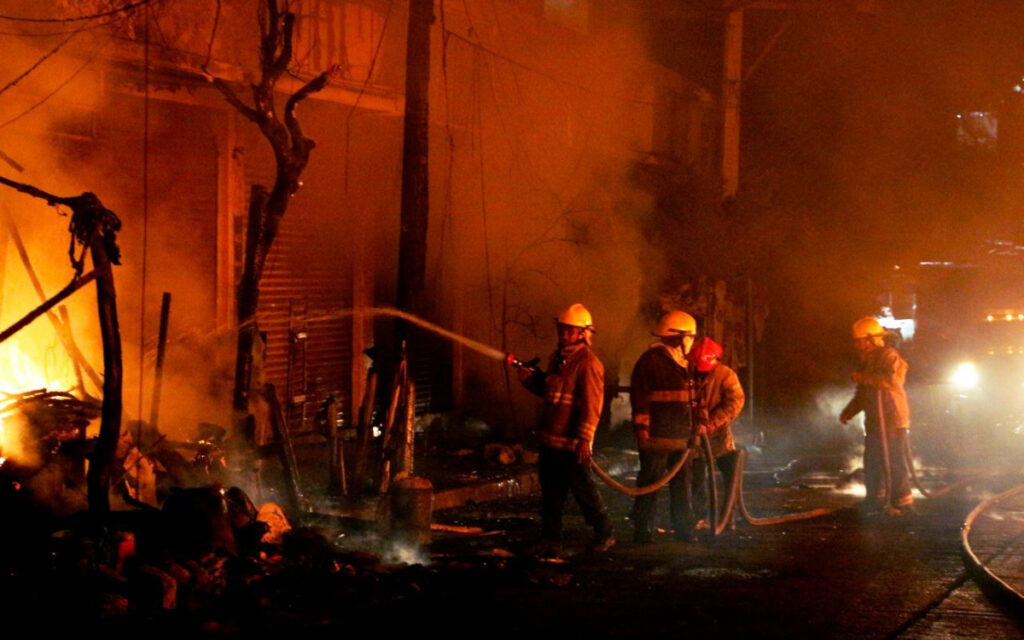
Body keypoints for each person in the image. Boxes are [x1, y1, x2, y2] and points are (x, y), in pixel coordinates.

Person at [512, 303, 615, 555]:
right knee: (551, 493)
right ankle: (550, 539)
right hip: (551, 439)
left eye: (569, 331)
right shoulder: (558, 360)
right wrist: (531, 381)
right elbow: (552, 394)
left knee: (583, 491)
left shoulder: (588, 363)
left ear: (582, 333)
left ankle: (605, 532)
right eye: (561, 330)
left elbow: (593, 405)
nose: (563, 335)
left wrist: (585, 438)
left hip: (571, 443)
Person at [629, 310, 698, 543]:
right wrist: (642, 431)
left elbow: (696, 400)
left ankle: (684, 529)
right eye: (689, 336)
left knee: (682, 486)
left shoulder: (687, 364)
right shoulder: (650, 361)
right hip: (657, 438)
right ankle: (643, 530)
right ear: (679, 337)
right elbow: (639, 399)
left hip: (682, 438)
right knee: (650, 484)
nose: (691, 341)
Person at [839, 316, 913, 514]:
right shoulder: (868, 360)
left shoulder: (889, 355)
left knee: (893, 458)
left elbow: (891, 381)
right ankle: (876, 498)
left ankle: (903, 501)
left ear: (871, 339)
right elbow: (864, 391)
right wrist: (850, 411)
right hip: (875, 418)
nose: (856, 344)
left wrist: (862, 377)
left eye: (859, 340)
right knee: (872, 459)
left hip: (892, 417)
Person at [686, 336, 745, 538]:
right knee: (696, 478)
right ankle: (698, 518)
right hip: (695, 436)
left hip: (719, 435)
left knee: (731, 475)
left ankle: (729, 518)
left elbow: (735, 402)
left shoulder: (726, 375)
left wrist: (711, 423)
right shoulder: (688, 372)